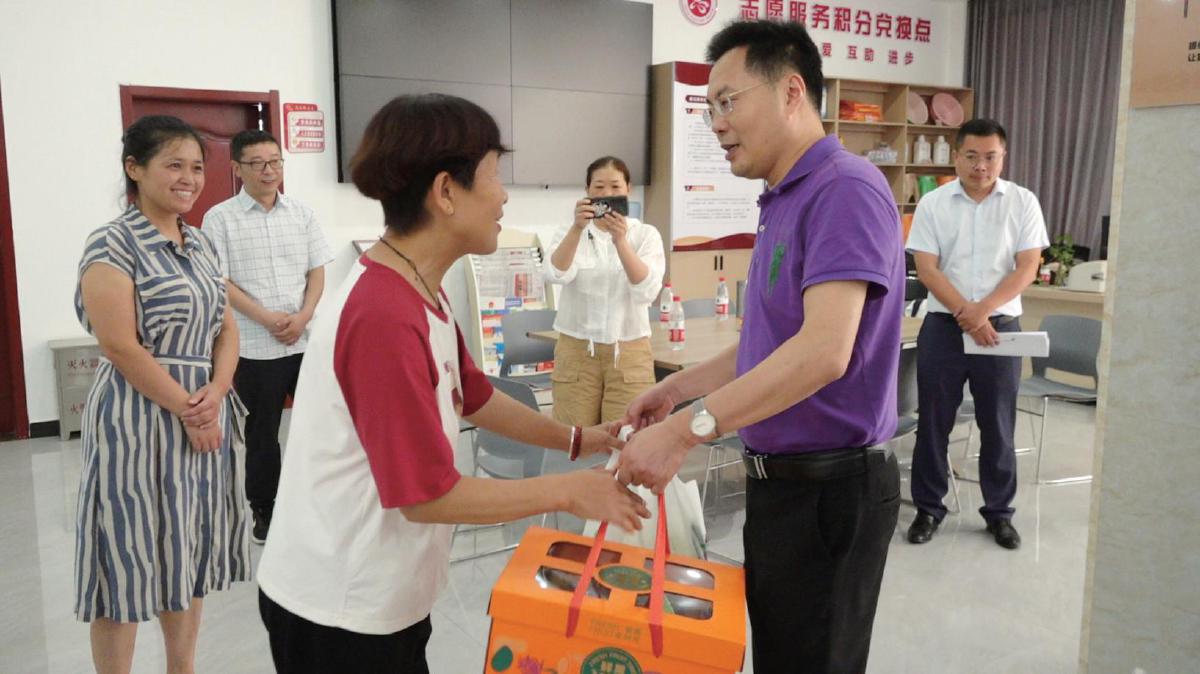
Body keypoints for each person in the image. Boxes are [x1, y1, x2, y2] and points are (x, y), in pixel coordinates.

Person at [255, 93, 649, 673]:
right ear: (445, 192)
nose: (504, 197)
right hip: (339, 608)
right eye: (494, 176)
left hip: (381, 593)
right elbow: (427, 496)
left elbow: (474, 394)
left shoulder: (419, 286)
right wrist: (569, 491)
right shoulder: (383, 315)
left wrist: (577, 439)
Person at [615, 20, 904, 673]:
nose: (717, 124)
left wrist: (685, 432)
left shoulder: (844, 189)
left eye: (728, 101)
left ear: (791, 92)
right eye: (709, 108)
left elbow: (823, 352)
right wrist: (674, 390)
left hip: (832, 489)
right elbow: (768, 341)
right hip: (784, 485)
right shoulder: (782, 198)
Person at [74, 115, 249, 673]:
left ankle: (182, 667)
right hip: (135, 417)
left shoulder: (200, 243)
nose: (189, 179)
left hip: (204, 410)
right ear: (135, 168)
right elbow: (120, 346)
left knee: (185, 547)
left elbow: (226, 328)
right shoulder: (112, 242)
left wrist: (217, 390)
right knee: (123, 554)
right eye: (174, 165)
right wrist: (190, 410)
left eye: (197, 167)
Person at [905, 119, 1049, 550]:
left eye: (990, 157)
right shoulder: (933, 203)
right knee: (933, 424)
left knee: (998, 424)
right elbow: (927, 269)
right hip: (943, 330)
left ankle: (999, 514)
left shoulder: (1022, 201)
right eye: (971, 156)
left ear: (1002, 158)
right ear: (956, 157)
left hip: (999, 331)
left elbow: (1027, 266)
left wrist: (982, 312)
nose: (981, 165)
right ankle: (928, 509)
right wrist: (967, 315)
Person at [201, 129, 333, 544]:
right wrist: (267, 319)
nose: (268, 171)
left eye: (275, 161)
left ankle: (319, 504)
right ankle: (265, 509)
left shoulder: (302, 214)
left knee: (321, 427)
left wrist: (303, 316)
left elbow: (316, 270)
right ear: (237, 168)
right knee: (262, 434)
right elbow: (220, 281)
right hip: (255, 348)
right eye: (257, 163)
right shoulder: (219, 219)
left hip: (304, 341)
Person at [545, 156, 665, 426]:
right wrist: (577, 228)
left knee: (627, 436)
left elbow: (646, 290)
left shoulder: (645, 235)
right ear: (587, 191)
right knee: (573, 435)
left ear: (628, 189)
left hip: (629, 351)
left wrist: (620, 241)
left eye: (615, 186)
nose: (606, 194)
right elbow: (555, 274)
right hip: (576, 348)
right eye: (598, 187)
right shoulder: (570, 231)